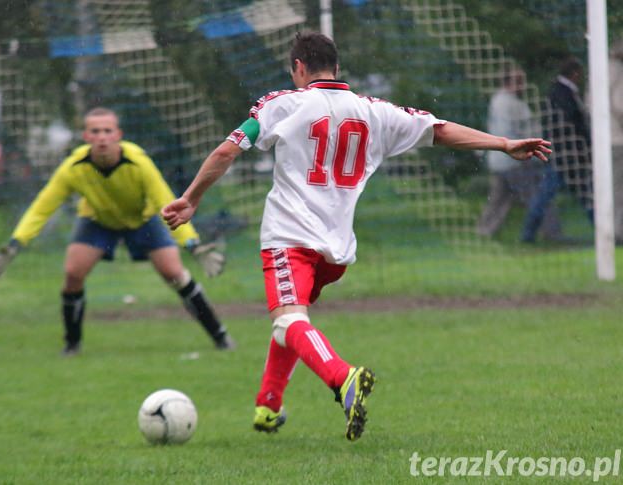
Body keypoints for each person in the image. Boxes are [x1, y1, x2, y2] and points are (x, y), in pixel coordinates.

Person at [162, 32, 551, 441]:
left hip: (289, 237)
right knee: (294, 321)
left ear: (298, 68)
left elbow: (227, 151)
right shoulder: (375, 111)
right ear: (337, 66)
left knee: (288, 321)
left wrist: (190, 199)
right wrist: (503, 143)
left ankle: (342, 377)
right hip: (337, 251)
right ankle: (267, 404)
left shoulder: (283, 103)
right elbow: (439, 130)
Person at [0, 107, 235, 355]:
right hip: (98, 222)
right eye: (95, 131)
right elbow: (42, 207)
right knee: (73, 273)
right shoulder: (73, 167)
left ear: (118, 134)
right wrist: (16, 243)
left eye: (107, 131)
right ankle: (72, 345)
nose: (102, 136)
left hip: (143, 220)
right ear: (86, 136)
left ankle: (220, 336)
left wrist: (192, 244)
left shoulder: (139, 162)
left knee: (174, 274)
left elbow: (166, 201)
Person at [478, 67, 562, 241]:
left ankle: (484, 232)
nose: (523, 85)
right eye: (519, 81)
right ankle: (551, 232)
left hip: (498, 159)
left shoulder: (497, 100)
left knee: (498, 200)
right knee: (537, 197)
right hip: (515, 160)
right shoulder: (513, 104)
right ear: (510, 82)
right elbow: (523, 129)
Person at [522, 57, 593, 243]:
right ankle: (527, 235)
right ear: (575, 73)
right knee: (583, 193)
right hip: (567, 154)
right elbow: (573, 122)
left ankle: (528, 234)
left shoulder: (557, 91)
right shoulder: (563, 93)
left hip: (563, 153)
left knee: (552, 194)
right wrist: (587, 140)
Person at [609, 40, 623, 244]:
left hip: (605, 138)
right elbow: (619, 104)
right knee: (619, 190)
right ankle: (617, 232)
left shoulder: (601, 67)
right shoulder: (617, 69)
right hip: (618, 139)